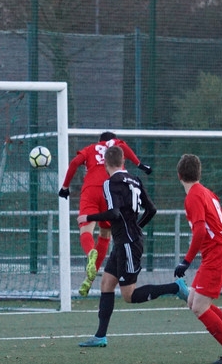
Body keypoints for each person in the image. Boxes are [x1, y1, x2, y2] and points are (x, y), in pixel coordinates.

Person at [77, 145, 185, 348]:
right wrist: (137, 227)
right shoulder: (135, 180)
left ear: (105, 164)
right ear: (123, 162)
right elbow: (151, 210)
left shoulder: (110, 183)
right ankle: (100, 336)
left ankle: (175, 287)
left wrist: (88, 217)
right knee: (107, 284)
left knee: (129, 295)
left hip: (127, 243)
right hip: (125, 242)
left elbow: (114, 214)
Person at [174, 154, 222, 364]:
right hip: (219, 251)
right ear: (198, 173)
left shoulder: (193, 196)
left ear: (179, 175)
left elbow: (199, 230)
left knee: (199, 306)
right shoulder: (208, 193)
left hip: (217, 253)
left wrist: (187, 261)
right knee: (193, 301)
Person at [59, 131, 151, 297]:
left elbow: (74, 163)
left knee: (86, 230)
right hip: (111, 189)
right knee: (105, 235)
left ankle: (90, 253)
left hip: (91, 189)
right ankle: (89, 280)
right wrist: (140, 165)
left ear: (99, 141)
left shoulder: (90, 148)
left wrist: (65, 187)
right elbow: (126, 149)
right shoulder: (116, 145)